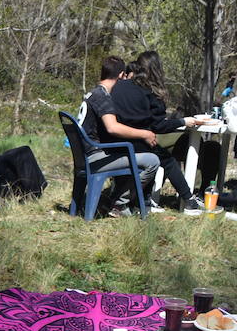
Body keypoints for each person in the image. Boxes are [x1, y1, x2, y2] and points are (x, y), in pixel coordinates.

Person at [111, 51, 204, 213]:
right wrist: (183, 122)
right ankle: (188, 199)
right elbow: (159, 126)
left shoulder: (119, 85)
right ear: (157, 69)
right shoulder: (149, 92)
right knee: (165, 159)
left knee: (158, 152)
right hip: (136, 143)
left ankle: (146, 199)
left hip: (113, 140)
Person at [77, 56, 160, 215]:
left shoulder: (92, 93)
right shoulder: (103, 97)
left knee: (129, 155)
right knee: (152, 161)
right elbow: (112, 128)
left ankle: (111, 200)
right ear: (122, 75)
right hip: (95, 157)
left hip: (85, 155)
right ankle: (119, 204)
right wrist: (145, 134)